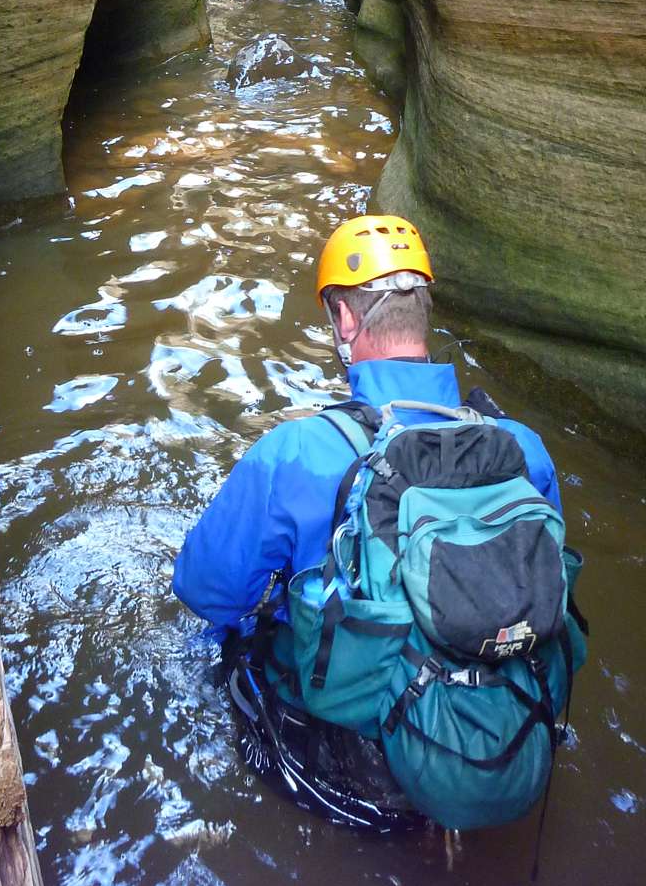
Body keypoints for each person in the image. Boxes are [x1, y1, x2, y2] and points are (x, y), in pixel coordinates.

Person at [172, 214, 563, 831]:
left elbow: (204, 590)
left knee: (220, 639)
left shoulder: (295, 454)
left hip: (350, 763)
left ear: (345, 320)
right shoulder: (521, 449)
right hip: (502, 736)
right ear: (423, 311)